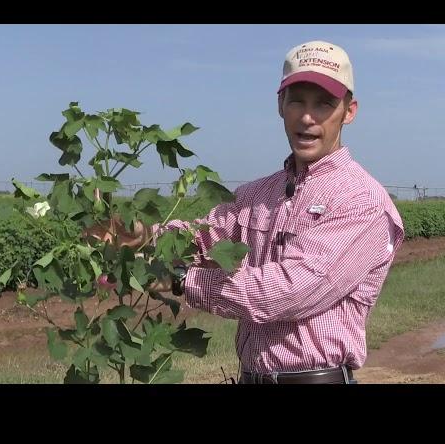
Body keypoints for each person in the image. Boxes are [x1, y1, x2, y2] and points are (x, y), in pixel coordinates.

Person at [91, 40, 405, 384]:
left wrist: (182, 279)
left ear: (349, 111)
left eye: (324, 104)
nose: (306, 116)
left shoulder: (361, 201)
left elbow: (289, 291)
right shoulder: (257, 194)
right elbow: (204, 237)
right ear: (280, 104)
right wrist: (146, 237)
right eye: (296, 100)